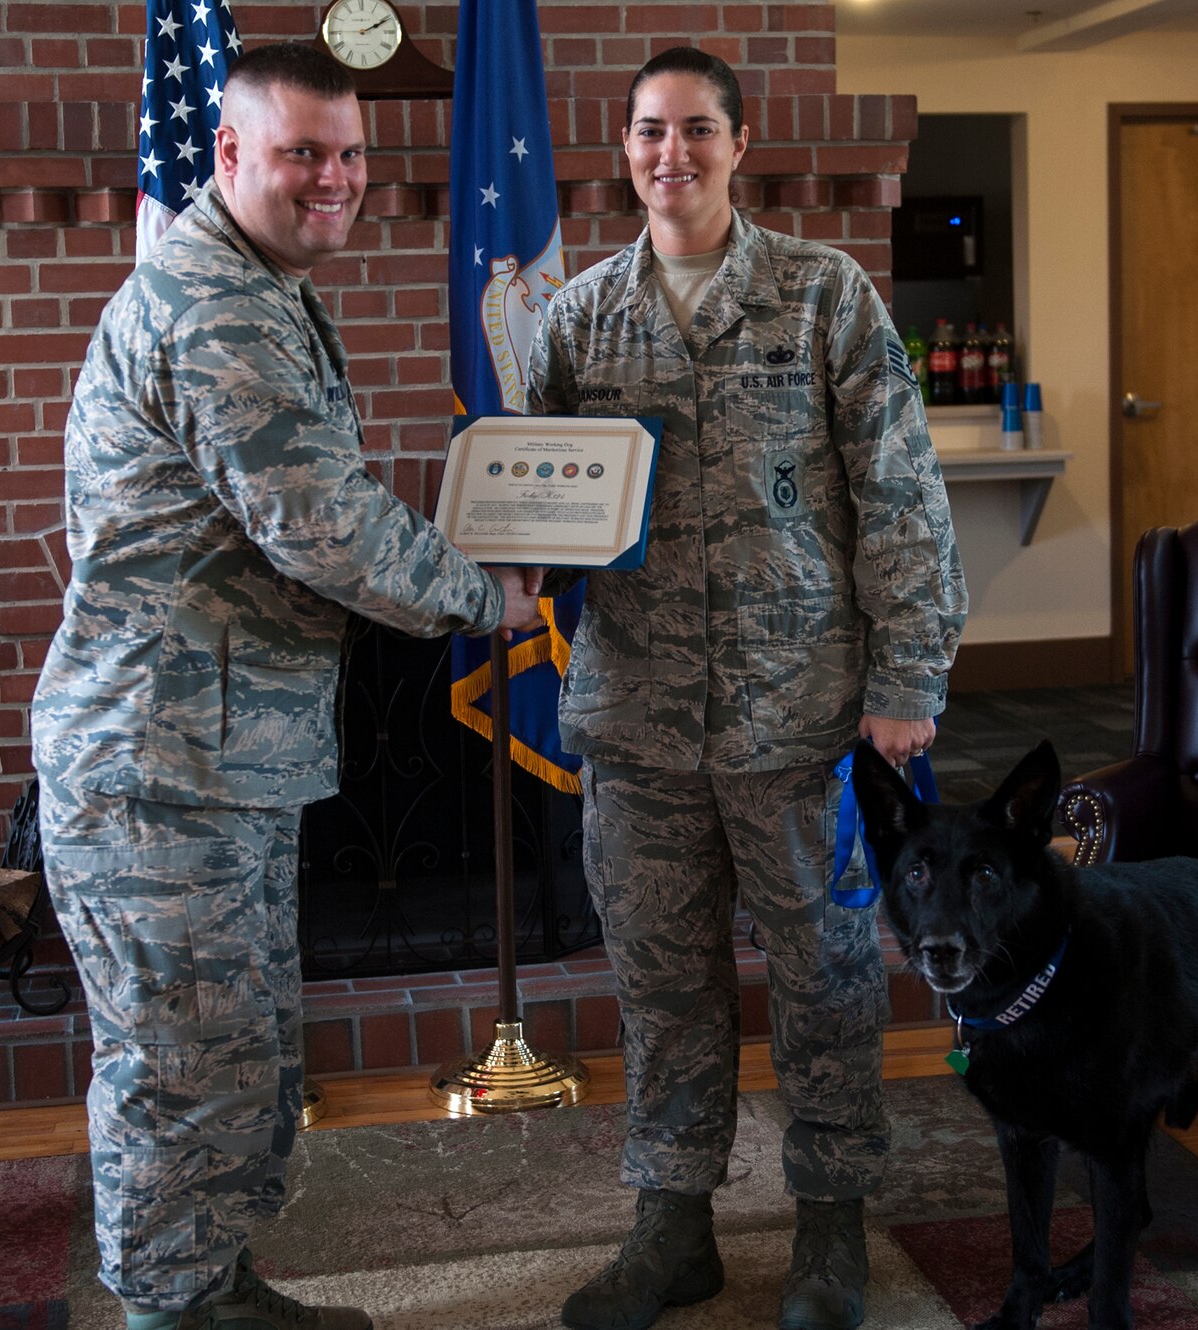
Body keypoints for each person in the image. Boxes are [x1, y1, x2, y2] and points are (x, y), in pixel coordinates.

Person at [29, 44, 541, 1330]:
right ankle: (169, 1311)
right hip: (160, 771)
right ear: (230, 155)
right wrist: (491, 595)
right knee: (179, 1070)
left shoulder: (254, 283)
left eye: (352, 153)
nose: (336, 179)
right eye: (303, 152)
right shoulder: (220, 307)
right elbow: (324, 526)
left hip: (212, 758)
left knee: (230, 1060)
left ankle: (215, 1285)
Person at [526, 46, 967, 1330]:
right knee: (662, 985)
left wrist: (906, 676)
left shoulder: (822, 295)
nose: (674, 155)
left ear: (739, 143)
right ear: (622, 150)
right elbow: (539, 499)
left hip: (802, 716)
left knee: (826, 972)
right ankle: (674, 1227)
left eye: (698, 131)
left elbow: (900, 497)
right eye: (651, 132)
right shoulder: (579, 318)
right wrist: (491, 555)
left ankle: (830, 1229)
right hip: (637, 719)